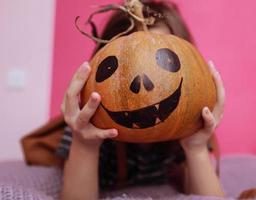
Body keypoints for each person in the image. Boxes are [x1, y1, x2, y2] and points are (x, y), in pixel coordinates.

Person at [60, 1, 225, 199]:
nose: (141, 84)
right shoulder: (87, 125)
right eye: (128, 66)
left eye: (165, 60)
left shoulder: (189, 124)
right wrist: (84, 144)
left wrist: (196, 148)